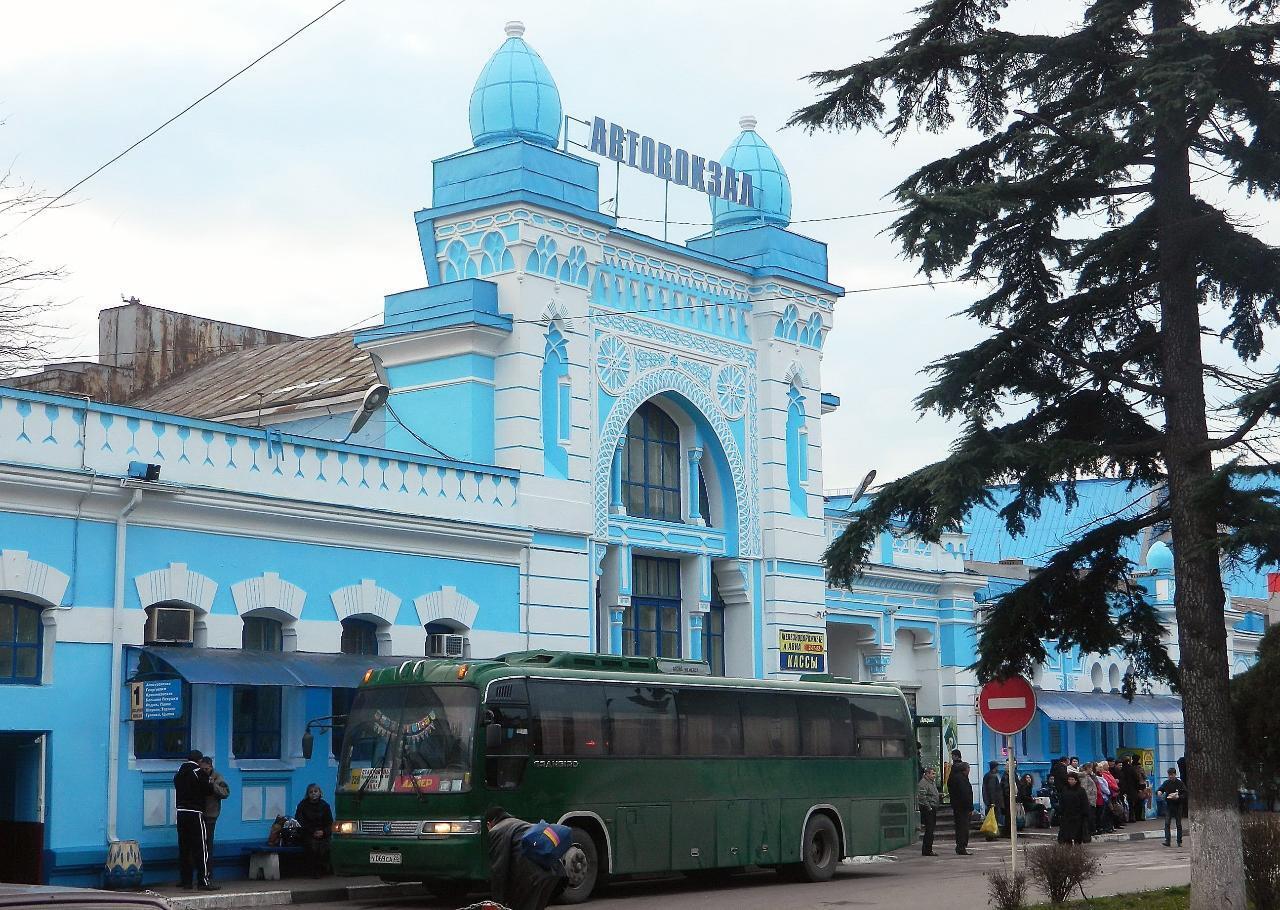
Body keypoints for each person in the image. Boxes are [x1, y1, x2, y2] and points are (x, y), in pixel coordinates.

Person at [485, 807, 567, 910]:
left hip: (531, 879)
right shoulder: (521, 824)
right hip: (554, 874)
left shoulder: (496, 830)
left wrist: (497, 903)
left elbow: (499, 869)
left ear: (489, 824)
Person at [173, 749, 218, 891]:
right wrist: (209, 781)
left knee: (184, 847)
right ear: (199, 761)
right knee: (201, 847)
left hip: (181, 812)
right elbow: (208, 789)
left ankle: (186, 881)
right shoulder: (198, 772)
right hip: (195, 812)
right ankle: (203, 881)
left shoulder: (179, 773)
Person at [294, 783, 334, 878]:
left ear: (320, 793)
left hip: (322, 833)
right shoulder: (303, 805)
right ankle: (313, 871)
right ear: (308, 794)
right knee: (312, 846)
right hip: (307, 833)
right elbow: (300, 822)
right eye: (311, 792)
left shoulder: (325, 806)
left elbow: (329, 823)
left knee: (326, 845)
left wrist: (323, 832)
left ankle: (324, 869)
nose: (313, 794)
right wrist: (312, 832)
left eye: (316, 791)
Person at [198, 757, 230, 862]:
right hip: (199, 813)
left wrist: (213, 785)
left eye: (206, 769)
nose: (204, 771)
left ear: (211, 767)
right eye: (202, 769)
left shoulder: (217, 777)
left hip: (210, 814)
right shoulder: (199, 775)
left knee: (208, 843)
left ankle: (208, 869)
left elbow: (225, 793)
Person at [947, 749, 974, 855]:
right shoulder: (962, 779)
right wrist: (970, 807)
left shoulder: (954, 777)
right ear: (965, 770)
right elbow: (965, 794)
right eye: (968, 769)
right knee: (963, 827)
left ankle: (960, 846)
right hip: (963, 808)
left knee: (959, 827)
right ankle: (962, 847)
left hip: (957, 806)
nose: (969, 771)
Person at [1057, 771, 1091, 844]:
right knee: (1067, 834)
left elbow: (1084, 802)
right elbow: (1062, 801)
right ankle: (1068, 850)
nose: (1070, 781)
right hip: (1067, 815)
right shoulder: (1065, 789)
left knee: (1077, 835)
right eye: (1069, 779)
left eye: (1072, 779)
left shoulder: (1081, 790)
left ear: (1076, 780)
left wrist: (1085, 814)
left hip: (1078, 815)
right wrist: (1060, 811)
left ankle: (1077, 850)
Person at [1158, 767, 1188, 847]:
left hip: (1178, 805)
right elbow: (1161, 788)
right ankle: (1167, 841)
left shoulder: (1180, 783)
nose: (1170, 776)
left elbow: (1185, 793)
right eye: (1169, 775)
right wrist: (1159, 791)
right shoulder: (1166, 783)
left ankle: (1179, 841)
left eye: (1172, 775)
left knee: (1178, 824)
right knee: (1167, 823)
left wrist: (1179, 797)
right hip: (1169, 805)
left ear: (1175, 774)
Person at [917, 768, 941, 856]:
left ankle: (928, 849)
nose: (934, 776)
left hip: (932, 808)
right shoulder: (923, 783)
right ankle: (927, 850)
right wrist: (929, 807)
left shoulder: (931, 783)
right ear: (927, 774)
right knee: (929, 830)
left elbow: (931, 794)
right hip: (928, 809)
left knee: (931, 830)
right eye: (933, 774)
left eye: (934, 774)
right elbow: (921, 796)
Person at [982, 761, 1005, 832]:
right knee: (994, 819)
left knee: (990, 818)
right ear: (995, 767)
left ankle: (991, 834)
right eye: (997, 766)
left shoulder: (987, 775)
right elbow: (992, 790)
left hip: (989, 802)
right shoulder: (992, 776)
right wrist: (993, 802)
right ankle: (992, 834)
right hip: (994, 802)